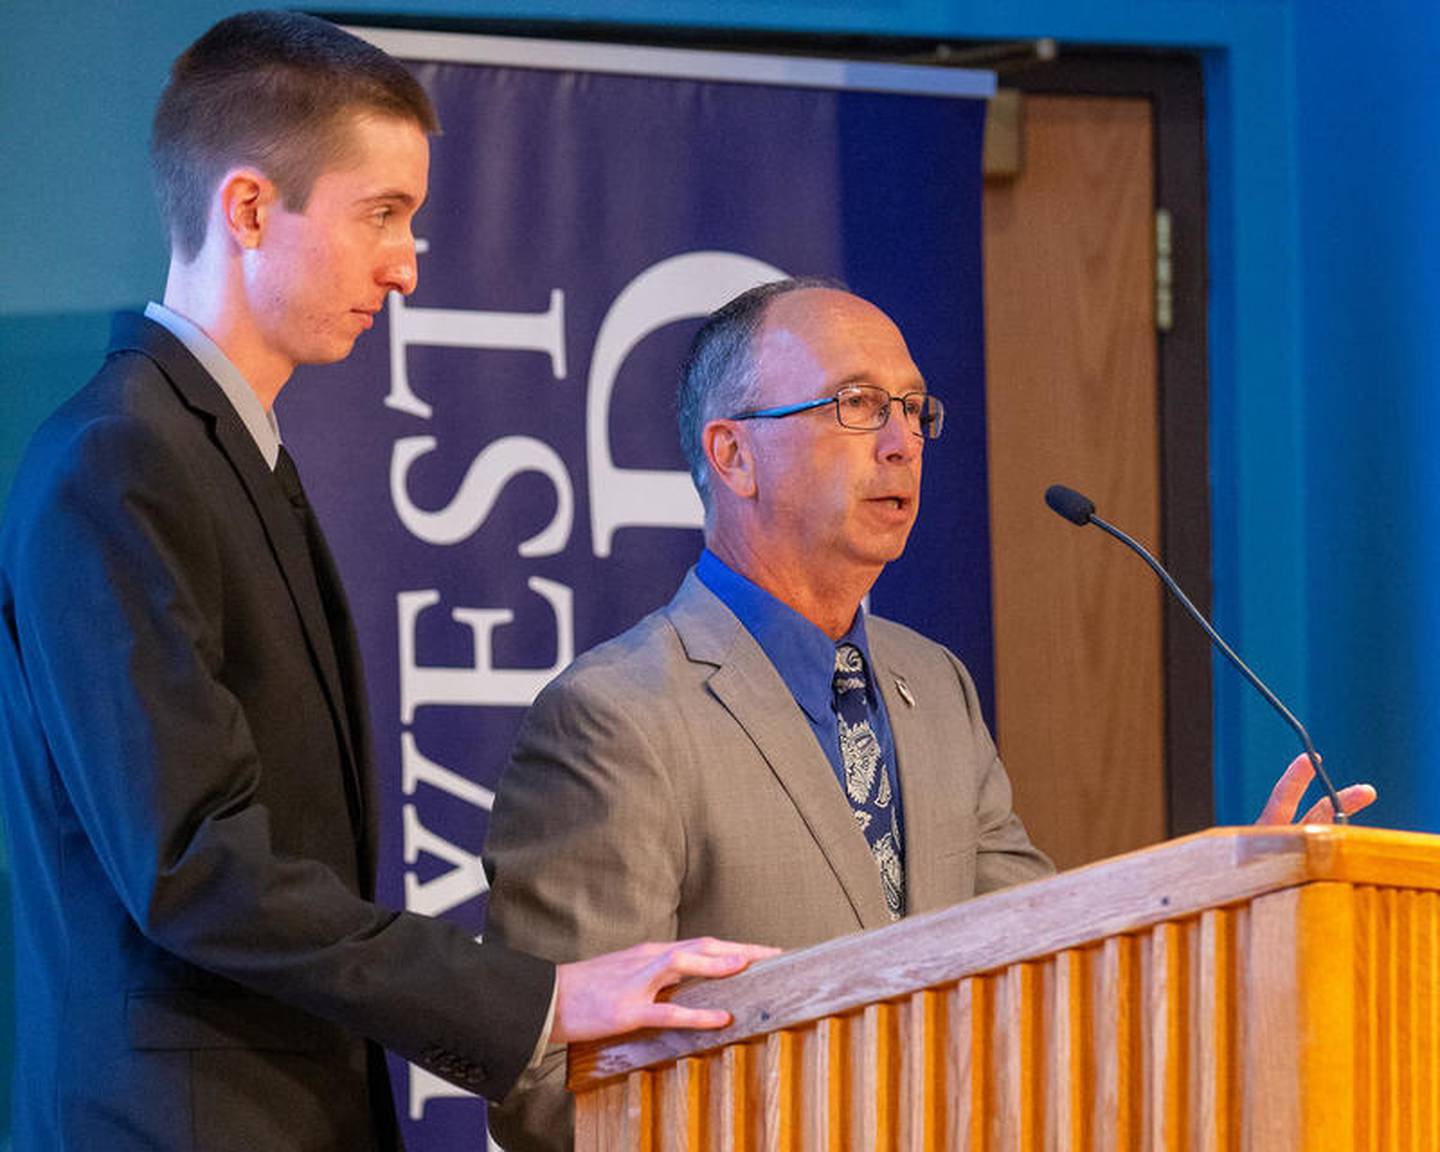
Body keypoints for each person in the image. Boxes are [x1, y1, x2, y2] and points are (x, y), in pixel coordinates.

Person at [0, 13, 771, 1151]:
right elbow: (195, 868)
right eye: (382, 214)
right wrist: (543, 1001)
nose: (407, 264)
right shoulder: (121, 460)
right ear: (249, 209)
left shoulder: (215, 451)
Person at [481, 278, 1377, 1150]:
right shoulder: (618, 716)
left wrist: (1228, 901)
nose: (903, 441)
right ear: (733, 455)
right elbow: (548, 1083)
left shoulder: (934, 683)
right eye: (857, 405)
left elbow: (1041, 955)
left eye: (914, 409)